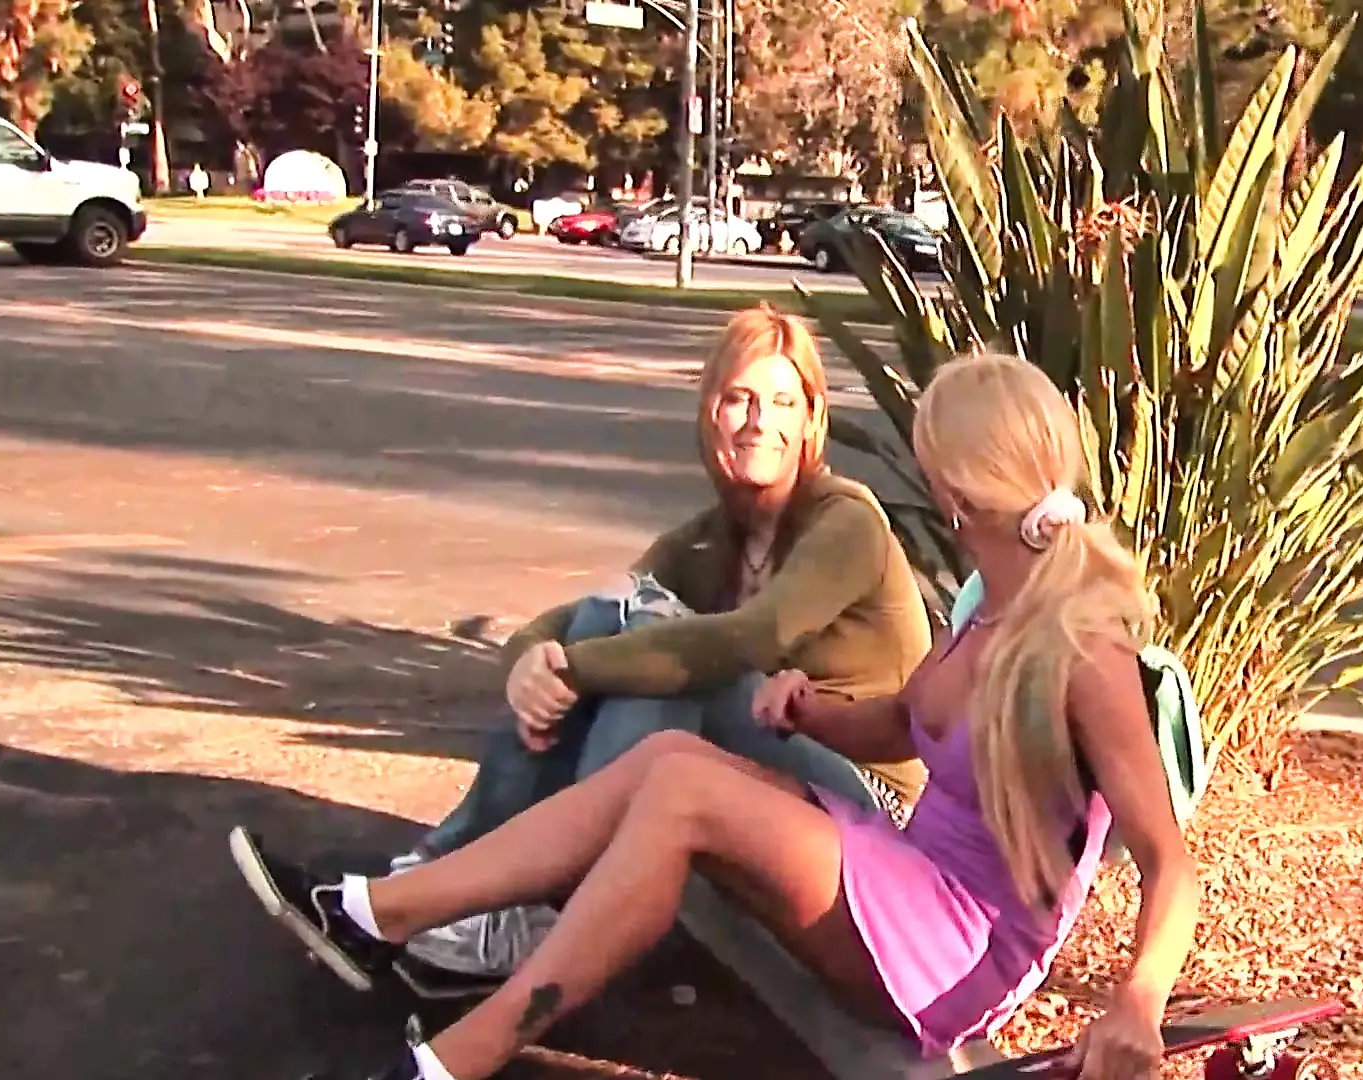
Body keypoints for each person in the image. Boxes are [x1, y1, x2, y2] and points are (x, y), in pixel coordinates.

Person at [228, 351, 1201, 1080]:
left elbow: (1170, 862)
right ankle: (381, 916)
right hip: (912, 880)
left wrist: (1138, 1002)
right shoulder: (985, 604)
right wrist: (809, 712)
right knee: (666, 767)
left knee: (685, 792)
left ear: (954, 486)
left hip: (960, 952)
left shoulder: (1083, 653)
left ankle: (448, 1050)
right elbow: (904, 727)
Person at [340, 304, 934, 993]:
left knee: (689, 669)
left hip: (871, 801)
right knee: (619, 624)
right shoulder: (713, 539)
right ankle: (440, 883)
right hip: (784, 777)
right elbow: (592, 613)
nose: (757, 422)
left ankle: (535, 908)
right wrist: (530, 658)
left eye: (781, 402)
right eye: (739, 399)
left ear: (812, 420)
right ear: (711, 413)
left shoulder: (846, 521)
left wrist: (576, 670)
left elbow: (751, 638)